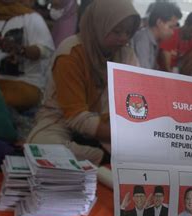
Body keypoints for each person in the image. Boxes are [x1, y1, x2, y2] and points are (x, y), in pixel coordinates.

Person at [26, 0, 140, 166]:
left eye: (128, 32)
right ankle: (102, 158)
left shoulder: (126, 55)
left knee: (145, 150)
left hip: (107, 124)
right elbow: (74, 116)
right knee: (41, 145)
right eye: (116, 31)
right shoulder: (71, 52)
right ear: (99, 25)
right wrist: (118, 137)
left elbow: (135, 102)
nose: (123, 39)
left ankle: (99, 157)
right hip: (61, 118)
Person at [158, 11, 192, 75]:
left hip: (176, 73)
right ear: (186, 23)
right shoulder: (171, 34)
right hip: (162, 73)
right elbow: (165, 68)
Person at [131, 2, 182, 69]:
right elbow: (144, 73)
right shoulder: (142, 40)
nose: (172, 32)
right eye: (171, 27)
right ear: (159, 22)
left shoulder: (154, 41)